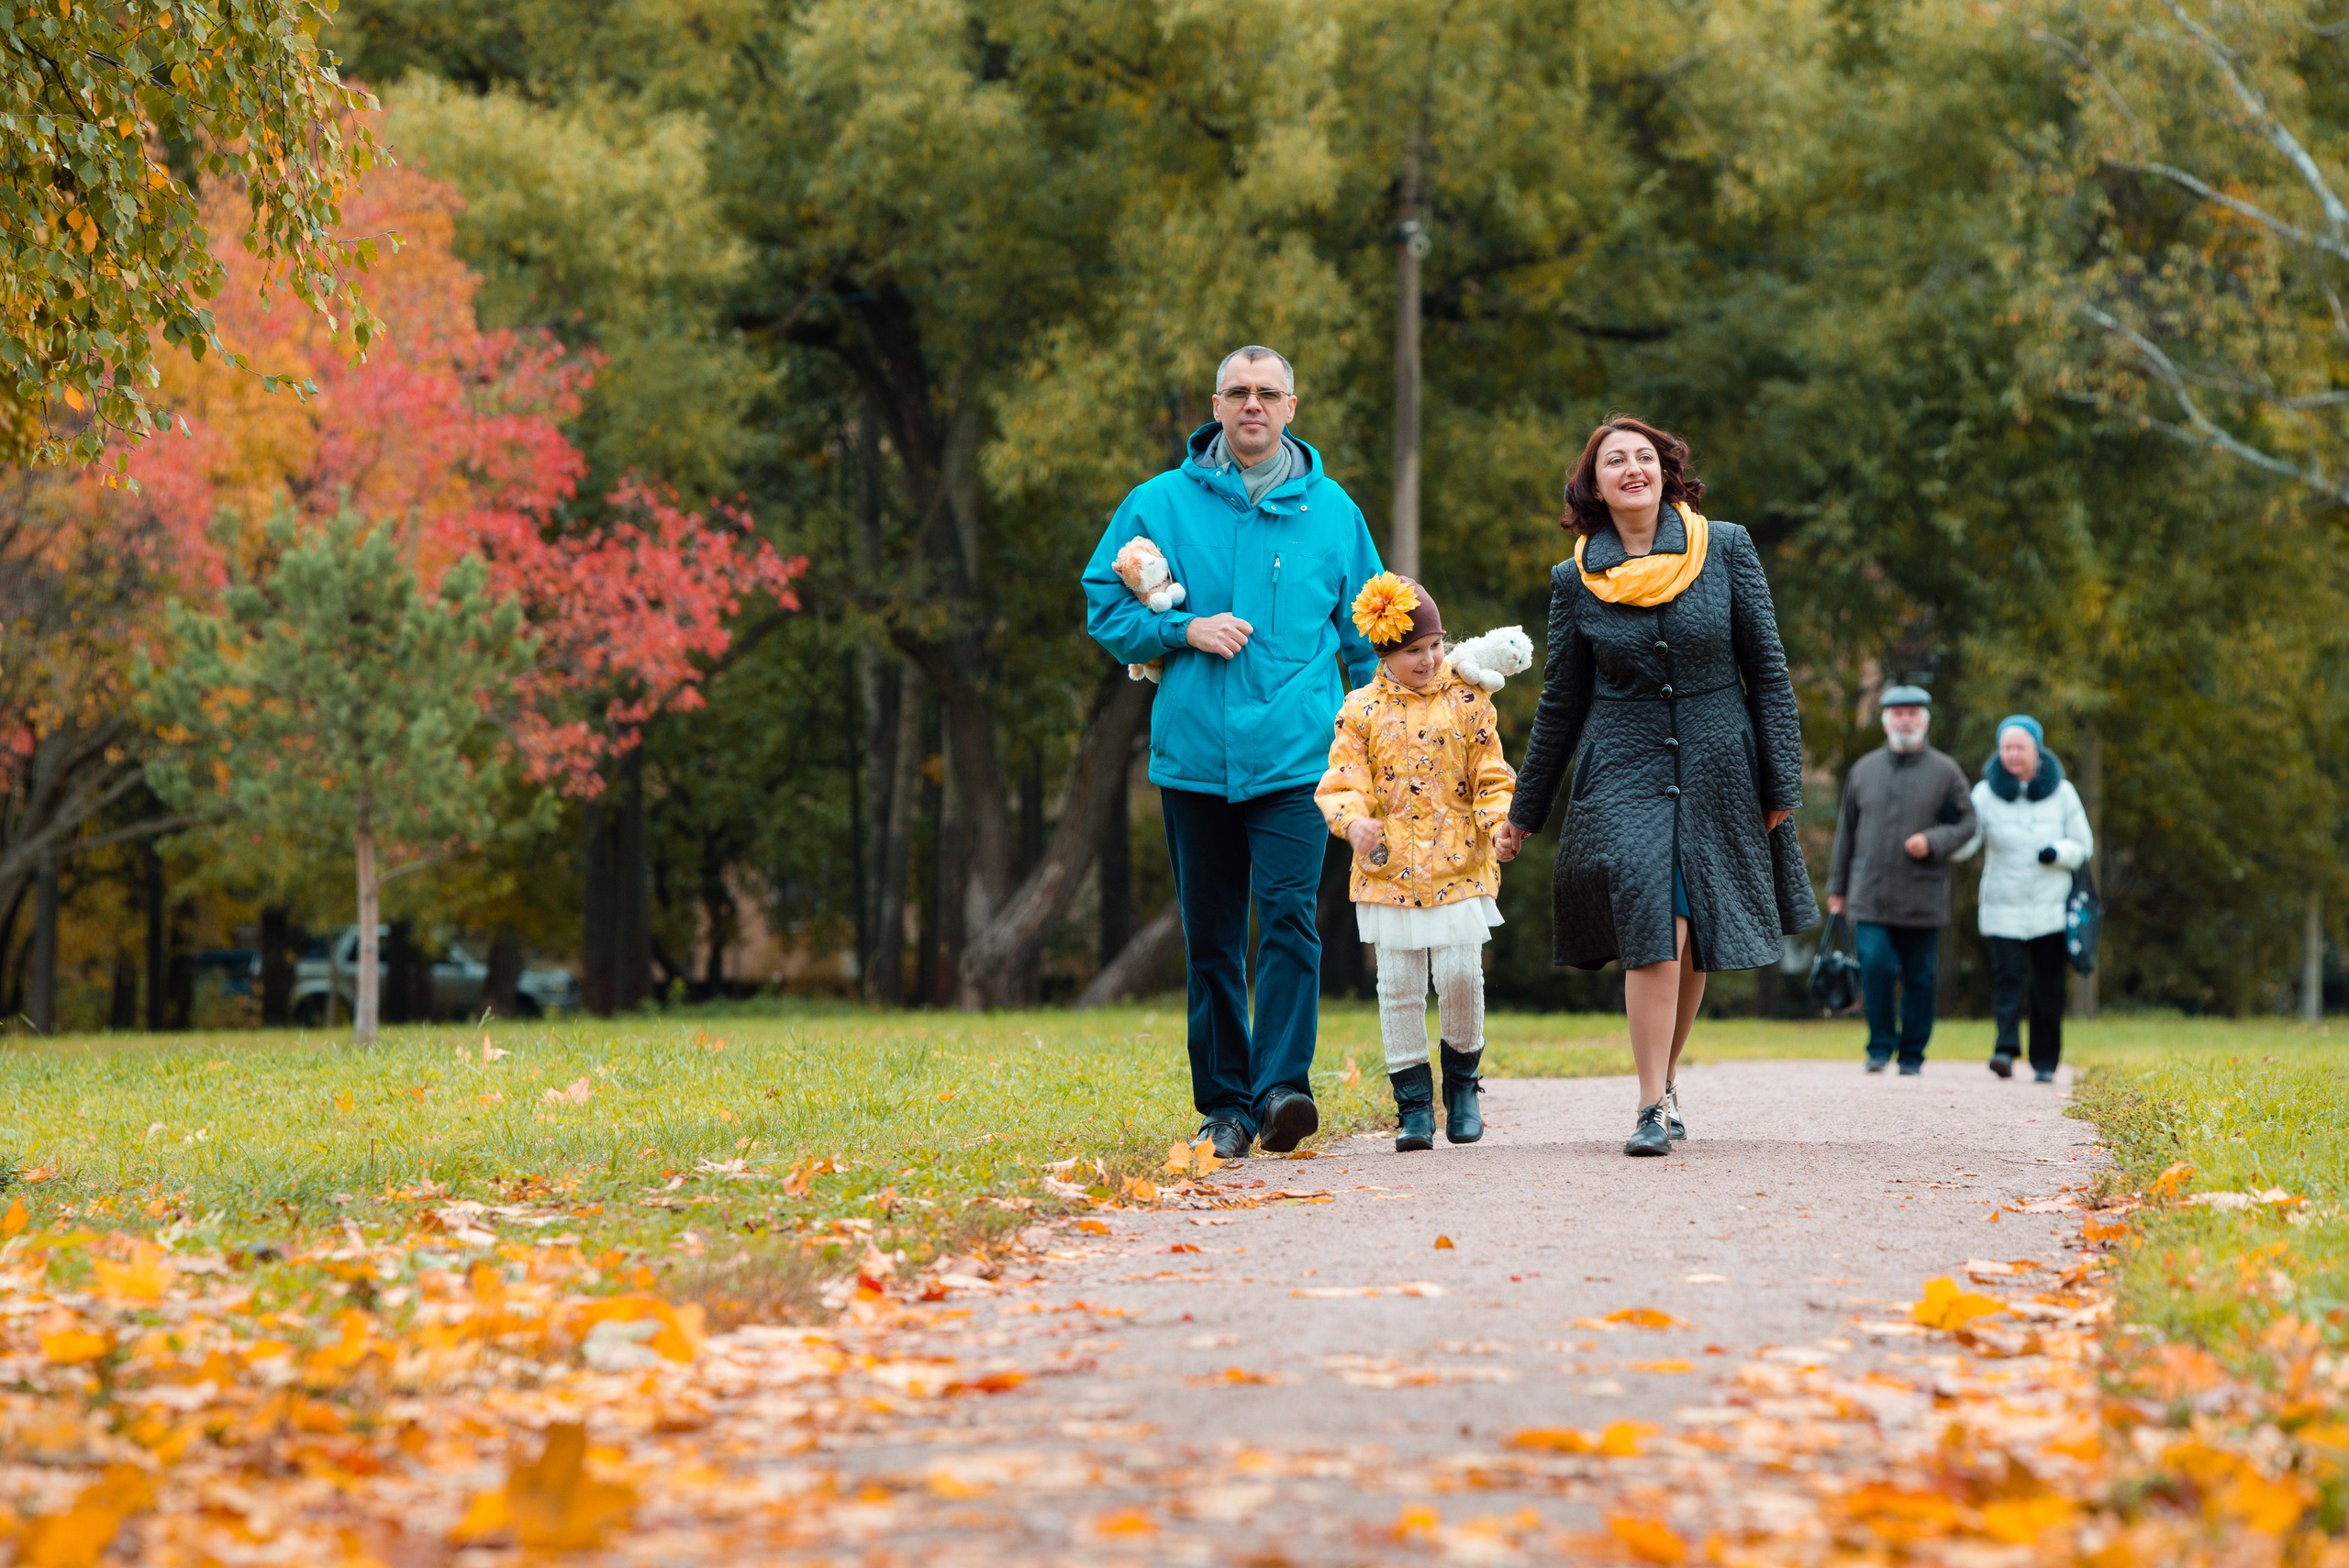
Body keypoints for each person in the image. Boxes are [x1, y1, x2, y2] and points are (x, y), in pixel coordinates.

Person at [1081, 346, 1385, 1160]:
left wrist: (1372, 748)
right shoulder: (1158, 503)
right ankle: (1224, 1106)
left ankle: (1283, 1088)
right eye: (1239, 393)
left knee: (1288, 920)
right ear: (1216, 407)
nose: (1254, 405)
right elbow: (1104, 605)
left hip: (1298, 758)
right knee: (1211, 937)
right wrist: (1182, 629)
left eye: (1268, 393)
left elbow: (1367, 638)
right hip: (1195, 758)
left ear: (1293, 407)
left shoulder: (1334, 512)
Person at [1496, 416, 1815, 1157]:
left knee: (1692, 930)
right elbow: (1560, 700)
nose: (1632, 468)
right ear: (1594, 484)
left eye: (1645, 457)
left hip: (1718, 760)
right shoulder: (1573, 580)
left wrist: (1783, 781)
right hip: (1624, 764)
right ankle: (1646, 1105)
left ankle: (1665, 1079)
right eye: (1616, 460)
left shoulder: (1726, 545)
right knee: (1655, 919)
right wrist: (1526, 811)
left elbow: (1767, 669)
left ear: (1666, 473)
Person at [1315, 575, 1518, 1151]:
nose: (1430, 660)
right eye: (1414, 652)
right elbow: (1341, 780)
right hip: (1389, 870)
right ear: (1384, 654)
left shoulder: (1469, 698)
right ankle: (1412, 1106)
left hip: (1460, 864)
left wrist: (1499, 821)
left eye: (1435, 645)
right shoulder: (1360, 710)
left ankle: (1461, 1088)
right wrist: (1354, 822)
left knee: (1458, 974)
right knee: (1399, 985)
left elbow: (1491, 774)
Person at [1825, 685, 1977, 1075]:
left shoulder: (1945, 771)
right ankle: (1879, 1047)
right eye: (1898, 713)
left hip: (1921, 896)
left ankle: (1911, 1054)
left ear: (1924, 721)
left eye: (1912, 713)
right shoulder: (1863, 769)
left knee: (1920, 977)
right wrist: (1837, 888)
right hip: (1869, 894)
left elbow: (1967, 823)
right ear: (1887, 721)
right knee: (1875, 965)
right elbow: (1847, 833)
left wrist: (1933, 840)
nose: (1905, 719)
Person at [1951, 715, 2092, 1082]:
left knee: (2048, 986)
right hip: (2003, 905)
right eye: (2006, 748)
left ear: (2036, 749)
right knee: (2007, 979)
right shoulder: (1984, 793)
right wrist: (1946, 841)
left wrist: (2056, 853)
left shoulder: (2063, 792)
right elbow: (1968, 842)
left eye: (2020, 747)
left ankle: (2045, 1063)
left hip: (2051, 909)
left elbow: (2083, 846)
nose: (2012, 754)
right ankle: (2004, 1050)